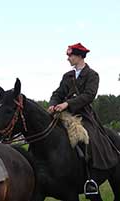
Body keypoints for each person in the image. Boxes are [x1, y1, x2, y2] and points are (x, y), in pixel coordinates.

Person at [48, 43, 119, 195]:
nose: (68, 59)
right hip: (63, 115)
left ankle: (90, 179)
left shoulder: (92, 75)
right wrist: (53, 105)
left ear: (79, 56)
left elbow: (88, 95)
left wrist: (67, 104)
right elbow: (57, 93)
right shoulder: (67, 76)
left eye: (70, 55)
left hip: (84, 115)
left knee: (85, 137)